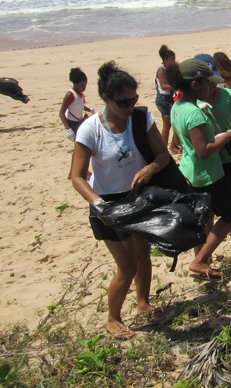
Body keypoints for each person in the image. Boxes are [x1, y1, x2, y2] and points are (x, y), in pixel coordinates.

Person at [71, 61, 174, 339]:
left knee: (142, 254)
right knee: (126, 266)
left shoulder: (141, 119)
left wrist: (150, 168)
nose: (130, 107)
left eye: (134, 100)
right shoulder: (90, 129)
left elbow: (163, 154)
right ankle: (113, 318)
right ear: (106, 98)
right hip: (107, 205)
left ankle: (143, 302)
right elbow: (77, 176)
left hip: (138, 197)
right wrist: (98, 203)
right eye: (123, 102)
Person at [167, 58, 231, 280]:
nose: (210, 87)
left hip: (189, 171)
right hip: (208, 174)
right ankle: (201, 259)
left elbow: (188, 143)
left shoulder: (177, 107)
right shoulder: (194, 113)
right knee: (230, 214)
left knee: (202, 218)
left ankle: (203, 262)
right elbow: (204, 150)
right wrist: (229, 135)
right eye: (206, 83)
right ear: (195, 85)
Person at [195, 53, 231, 262]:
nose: (211, 86)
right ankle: (205, 256)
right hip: (208, 164)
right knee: (207, 212)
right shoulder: (193, 104)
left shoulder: (227, 95)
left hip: (228, 160)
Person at [155, 44, 182, 154]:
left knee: (173, 123)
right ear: (165, 60)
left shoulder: (168, 69)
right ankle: (165, 148)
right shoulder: (161, 70)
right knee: (168, 125)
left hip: (168, 99)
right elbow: (163, 86)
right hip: (163, 100)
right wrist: (177, 86)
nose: (173, 62)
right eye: (172, 60)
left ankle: (171, 146)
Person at [59, 67, 92, 141]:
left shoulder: (80, 94)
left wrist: (89, 110)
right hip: (72, 123)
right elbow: (61, 113)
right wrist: (68, 130)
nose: (84, 87)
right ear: (75, 84)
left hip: (80, 121)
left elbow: (79, 106)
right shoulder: (70, 95)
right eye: (82, 85)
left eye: (85, 85)